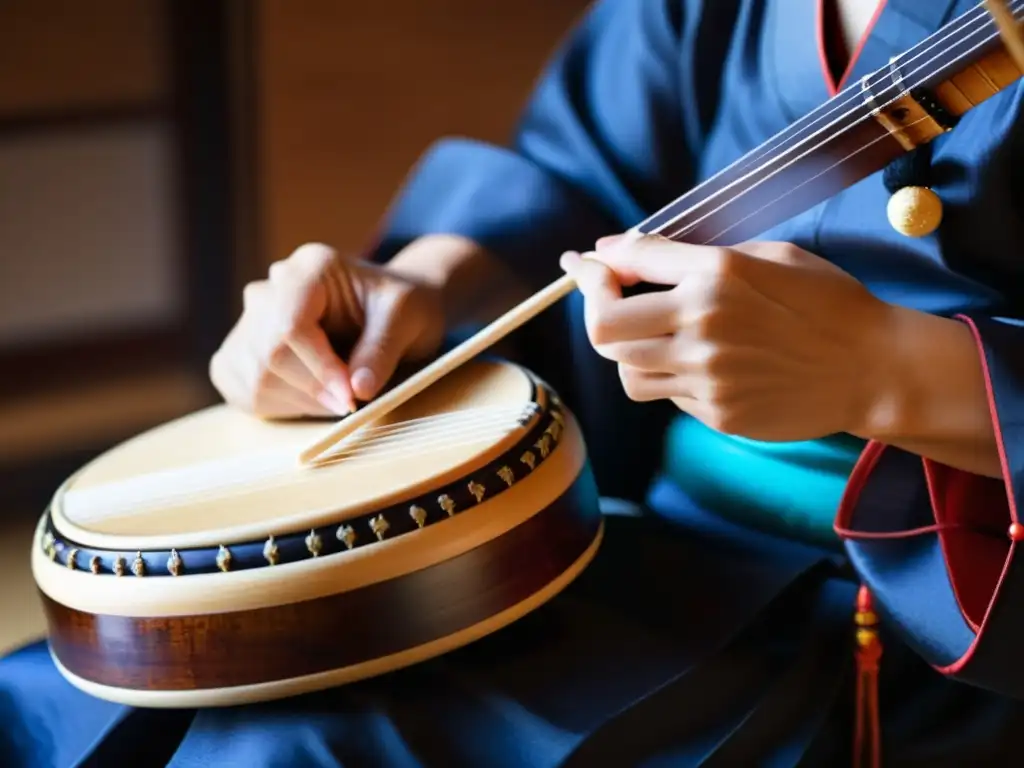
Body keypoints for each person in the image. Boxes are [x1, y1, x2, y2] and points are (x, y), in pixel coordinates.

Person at [5, 0, 1024, 764]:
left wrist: (891, 375)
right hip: (642, 529)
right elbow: (588, 176)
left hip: (920, 607)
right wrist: (420, 280)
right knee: (64, 705)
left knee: (295, 748)